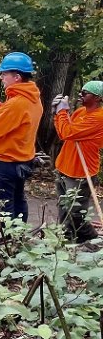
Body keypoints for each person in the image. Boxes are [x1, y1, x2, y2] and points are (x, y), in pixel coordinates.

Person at [0, 52, 43, 222]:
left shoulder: (17, 103)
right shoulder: (33, 99)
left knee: (3, 207)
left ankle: (6, 245)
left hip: (5, 163)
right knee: (18, 202)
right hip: (22, 161)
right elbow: (15, 123)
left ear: (17, 77)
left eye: (4, 73)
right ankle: (18, 240)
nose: (1, 77)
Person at [52, 81, 103, 242]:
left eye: (85, 93)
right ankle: (68, 239)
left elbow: (68, 132)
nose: (80, 95)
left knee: (76, 211)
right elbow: (63, 133)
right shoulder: (81, 112)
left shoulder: (99, 118)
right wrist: (57, 113)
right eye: (81, 91)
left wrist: (63, 112)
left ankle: (92, 239)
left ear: (98, 98)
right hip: (64, 166)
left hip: (81, 171)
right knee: (63, 207)